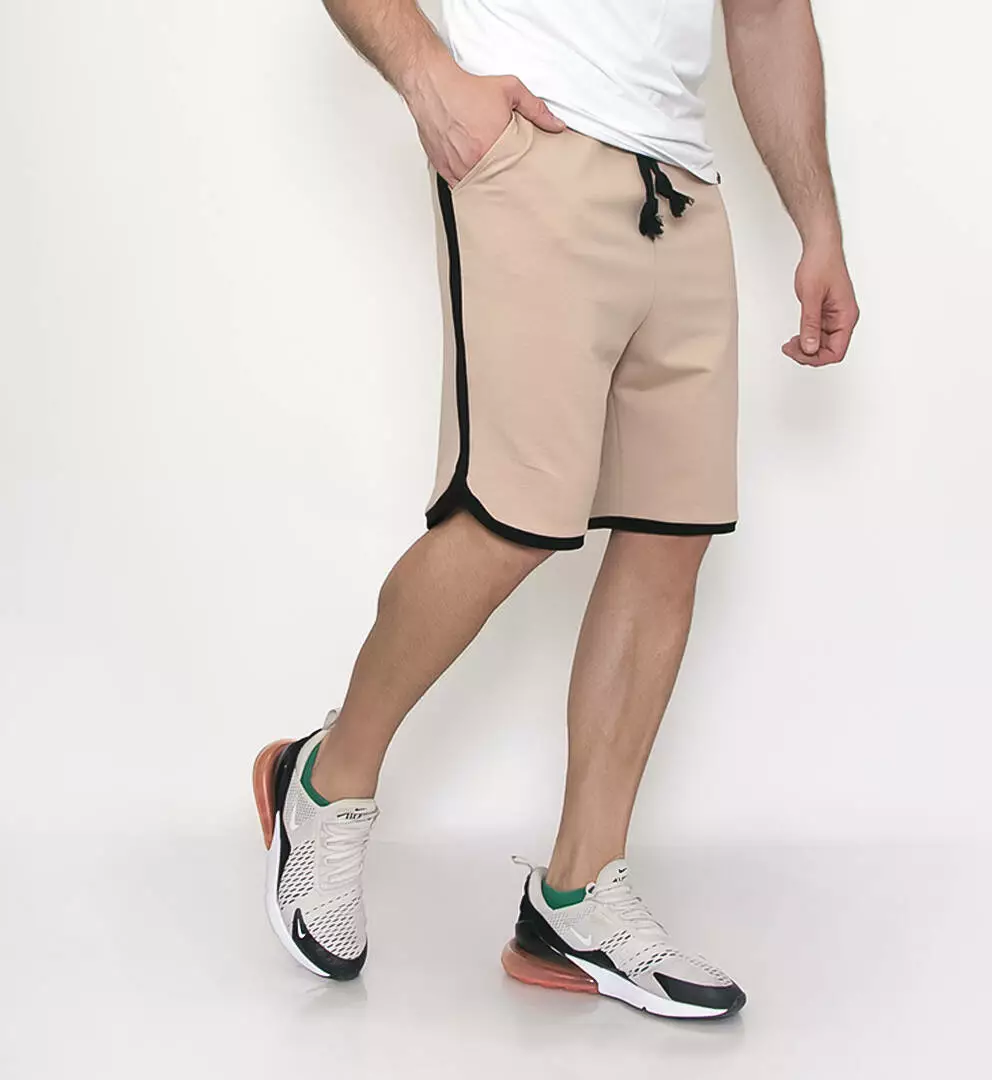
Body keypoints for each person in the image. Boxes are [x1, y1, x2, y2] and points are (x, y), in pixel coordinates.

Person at [252, 0, 858, 1020]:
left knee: (672, 534)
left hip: (682, 188)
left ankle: (575, 896)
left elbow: (764, 15)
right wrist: (429, 79)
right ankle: (324, 782)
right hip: (533, 148)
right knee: (508, 519)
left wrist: (820, 224)